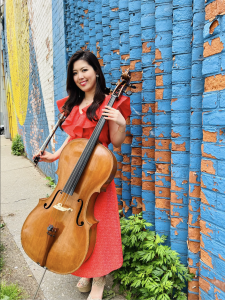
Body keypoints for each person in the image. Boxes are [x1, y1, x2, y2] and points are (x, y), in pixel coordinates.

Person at [35, 50, 131, 300]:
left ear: (96, 71)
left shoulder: (111, 102)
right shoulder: (75, 105)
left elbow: (117, 142)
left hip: (97, 177)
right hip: (72, 175)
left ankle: (99, 281)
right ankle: (86, 272)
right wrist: (54, 156)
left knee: (99, 229)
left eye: (84, 70)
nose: (80, 76)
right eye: (75, 72)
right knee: (74, 228)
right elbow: (73, 138)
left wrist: (121, 121)